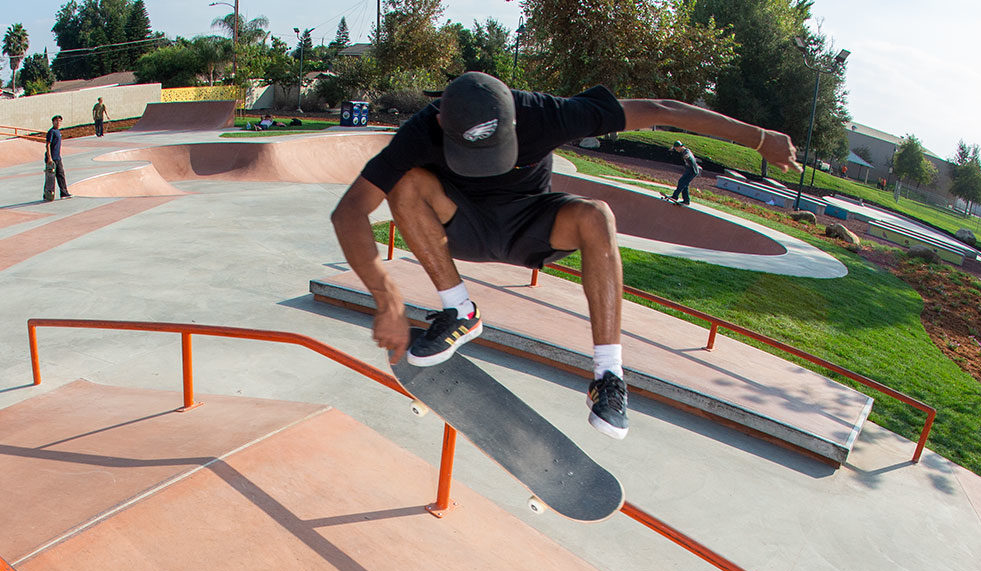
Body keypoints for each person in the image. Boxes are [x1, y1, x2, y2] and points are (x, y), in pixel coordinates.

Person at [332, 73, 796, 439]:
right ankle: (460, 310)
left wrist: (759, 139)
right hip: (461, 227)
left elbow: (661, 111)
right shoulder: (421, 130)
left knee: (597, 216)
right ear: (440, 124)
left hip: (532, 225)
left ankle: (609, 377)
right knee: (406, 182)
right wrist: (387, 299)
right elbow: (349, 211)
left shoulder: (548, 113)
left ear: (515, 118)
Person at [43, 115, 71, 202]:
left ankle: (63, 193)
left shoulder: (58, 131)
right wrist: (49, 158)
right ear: (53, 122)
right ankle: (49, 194)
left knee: (60, 175)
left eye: (60, 121)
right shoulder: (51, 132)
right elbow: (47, 144)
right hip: (53, 158)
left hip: (58, 157)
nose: (58, 123)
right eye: (56, 121)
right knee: (51, 178)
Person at [670, 140, 699, 206]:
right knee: (684, 184)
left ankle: (675, 196)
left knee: (682, 182)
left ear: (680, 147)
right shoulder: (682, 150)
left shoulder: (687, 151)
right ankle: (686, 200)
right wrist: (672, 148)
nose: (676, 150)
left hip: (693, 171)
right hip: (689, 170)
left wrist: (687, 156)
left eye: (676, 148)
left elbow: (689, 155)